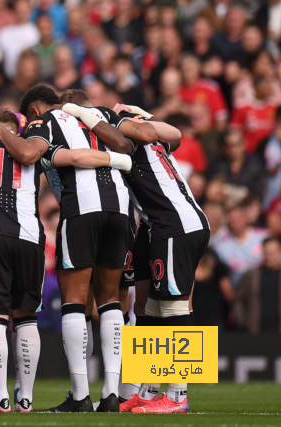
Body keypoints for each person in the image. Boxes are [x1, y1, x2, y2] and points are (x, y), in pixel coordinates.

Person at [7, 85, 135, 413]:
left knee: (75, 302)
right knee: (111, 301)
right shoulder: (102, 115)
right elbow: (128, 144)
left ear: (34, 109)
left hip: (81, 208)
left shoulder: (43, 121)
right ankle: (111, 393)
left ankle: (80, 396)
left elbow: (29, 153)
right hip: (120, 209)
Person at [91, 101, 209, 414]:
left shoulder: (126, 132)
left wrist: (95, 115)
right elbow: (172, 133)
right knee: (155, 307)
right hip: (166, 225)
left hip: (175, 225)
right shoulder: (152, 140)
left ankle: (178, 395)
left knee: (174, 306)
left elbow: (127, 135)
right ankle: (149, 390)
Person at [235, 236, 281, 333]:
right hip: (255, 332)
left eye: (272, 254)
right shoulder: (250, 275)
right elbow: (239, 300)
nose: (268, 258)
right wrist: (243, 322)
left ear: (279, 252)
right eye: (266, 254)